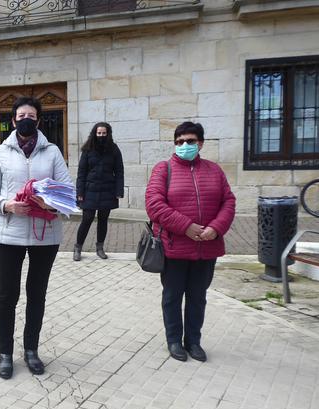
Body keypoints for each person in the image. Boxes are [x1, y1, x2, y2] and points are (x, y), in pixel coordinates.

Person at [0, 96, 73, 379]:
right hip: (9, 233)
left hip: (45, 235)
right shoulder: (1, 152)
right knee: (7, 295)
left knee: (37, 295)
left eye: (31, 115)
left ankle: (31, 350)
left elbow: (67, 192)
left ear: (38, 120)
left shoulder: (53, 152)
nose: (26, 119)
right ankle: (5, 354)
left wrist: (49, 203)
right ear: (12, 121)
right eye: (21, 114)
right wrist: (7, 205)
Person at [145, 121, 235, 362]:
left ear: (200, 143)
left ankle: (193, 341)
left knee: (198, 297)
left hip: (207, 248)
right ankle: (174, 340)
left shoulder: (214, 170)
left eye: (190, 141)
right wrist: (187, 226)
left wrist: (216, 228)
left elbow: (228, 201)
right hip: (174, 247)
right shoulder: (163, 169)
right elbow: (154, 205)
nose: (185, 145)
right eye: (179, 141)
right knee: (172, 296)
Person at [73, 122, 124, 261]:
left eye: (104, 133)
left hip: (108, 190)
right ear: (95, 133)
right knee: (87, 219)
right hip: (90, 191)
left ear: (108, 134)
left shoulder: (113, 149)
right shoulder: (87, 149)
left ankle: (100, 248)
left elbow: (119, 171)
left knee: (103, 220)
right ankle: (78, 247)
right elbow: (81, 173)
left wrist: (119, 191)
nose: (101, 135)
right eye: (99, 133)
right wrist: (80, 193)